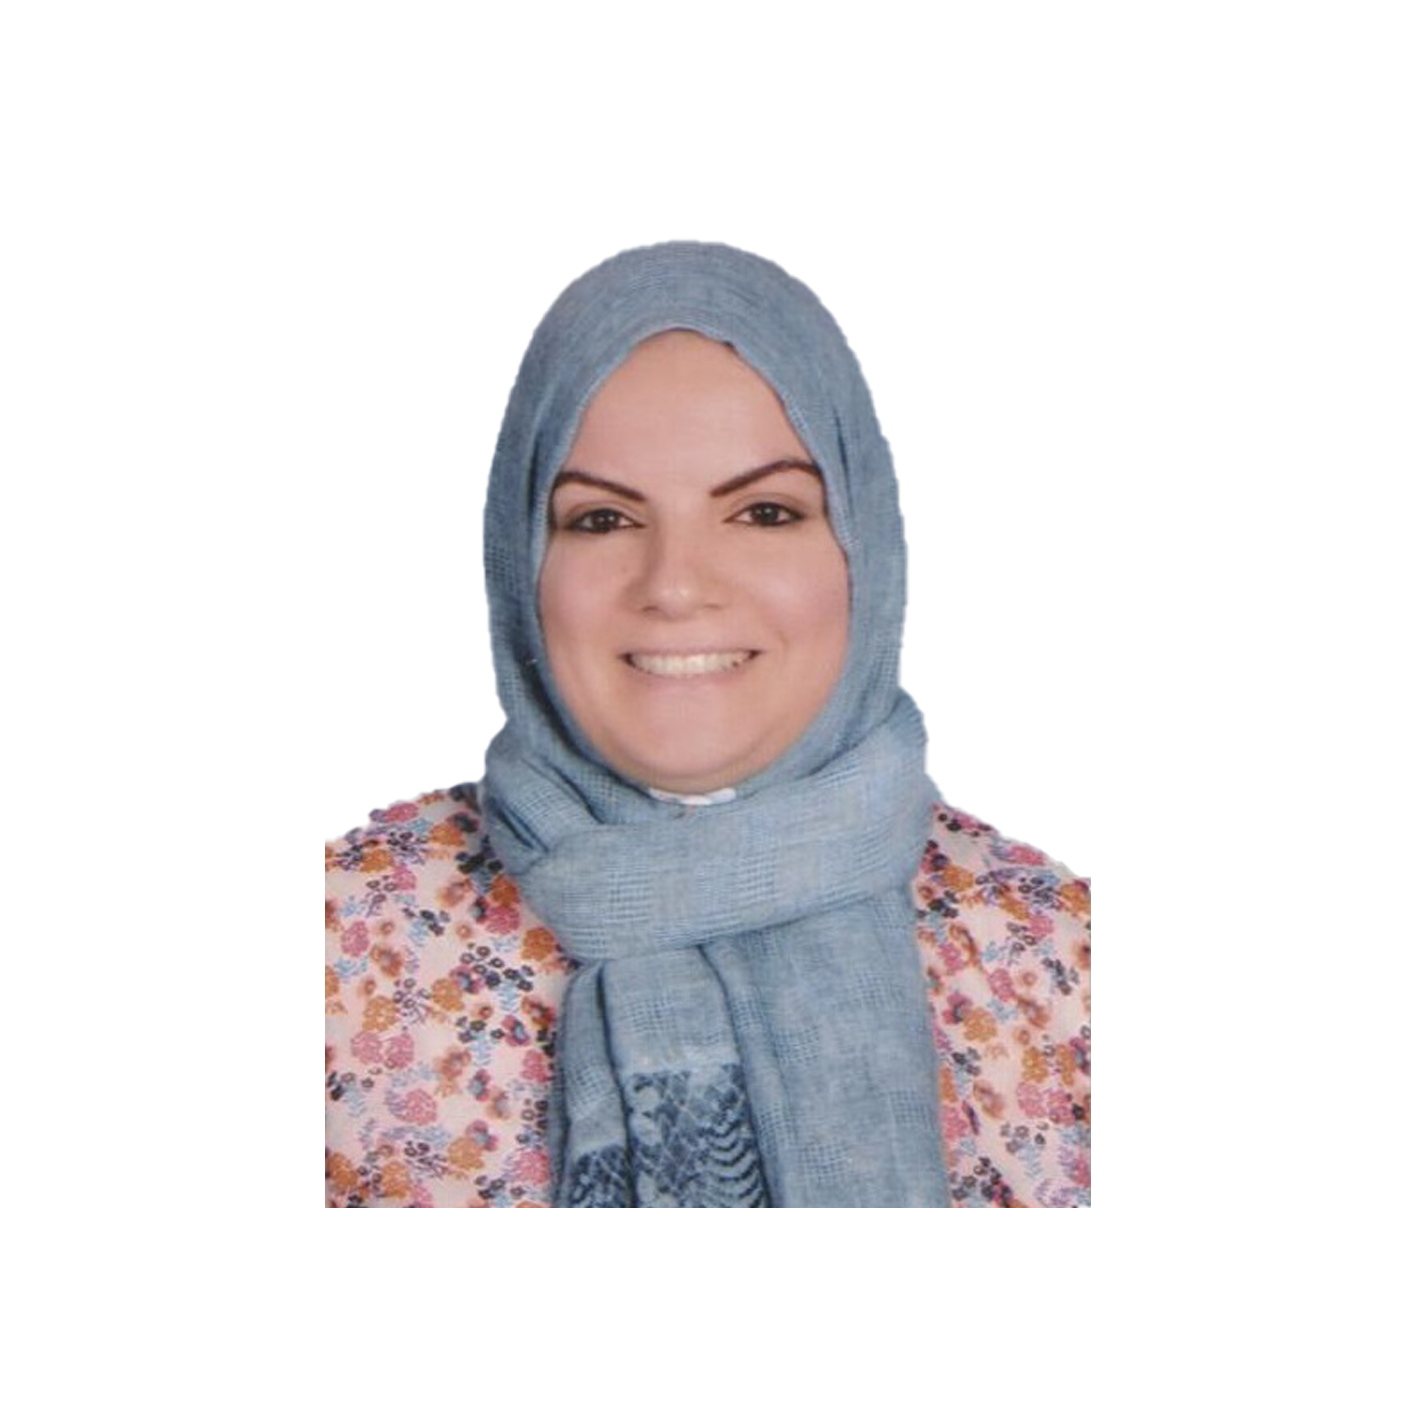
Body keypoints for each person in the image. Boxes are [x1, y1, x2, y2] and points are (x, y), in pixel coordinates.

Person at [325, 241, 1091, 1207]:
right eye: (602, 520)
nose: (675, 586)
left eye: (764, 512)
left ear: (865, 550)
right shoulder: (346, 943)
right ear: (520, 562)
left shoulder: (1054, 960)